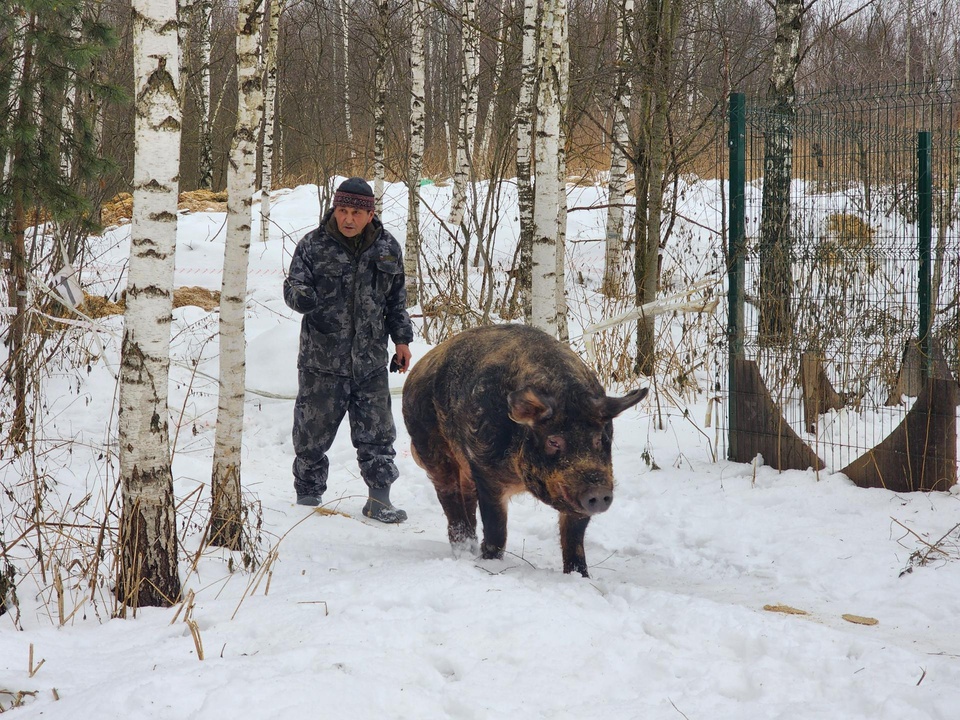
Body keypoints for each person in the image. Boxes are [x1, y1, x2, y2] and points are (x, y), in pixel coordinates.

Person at [283, 177, 414, 523]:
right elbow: (293, 285)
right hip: (321, 360)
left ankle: (379, 501)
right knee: (311, 435)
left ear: (370, 214)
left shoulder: (387, 248)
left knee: (378, 434)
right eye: (342, 210)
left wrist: (402, 341)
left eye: (356, 212)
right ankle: (308, 499)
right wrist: (302, 297)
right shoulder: (313, 245)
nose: (348, 219)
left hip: (370, 361)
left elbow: (396, 302)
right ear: (334, 209)